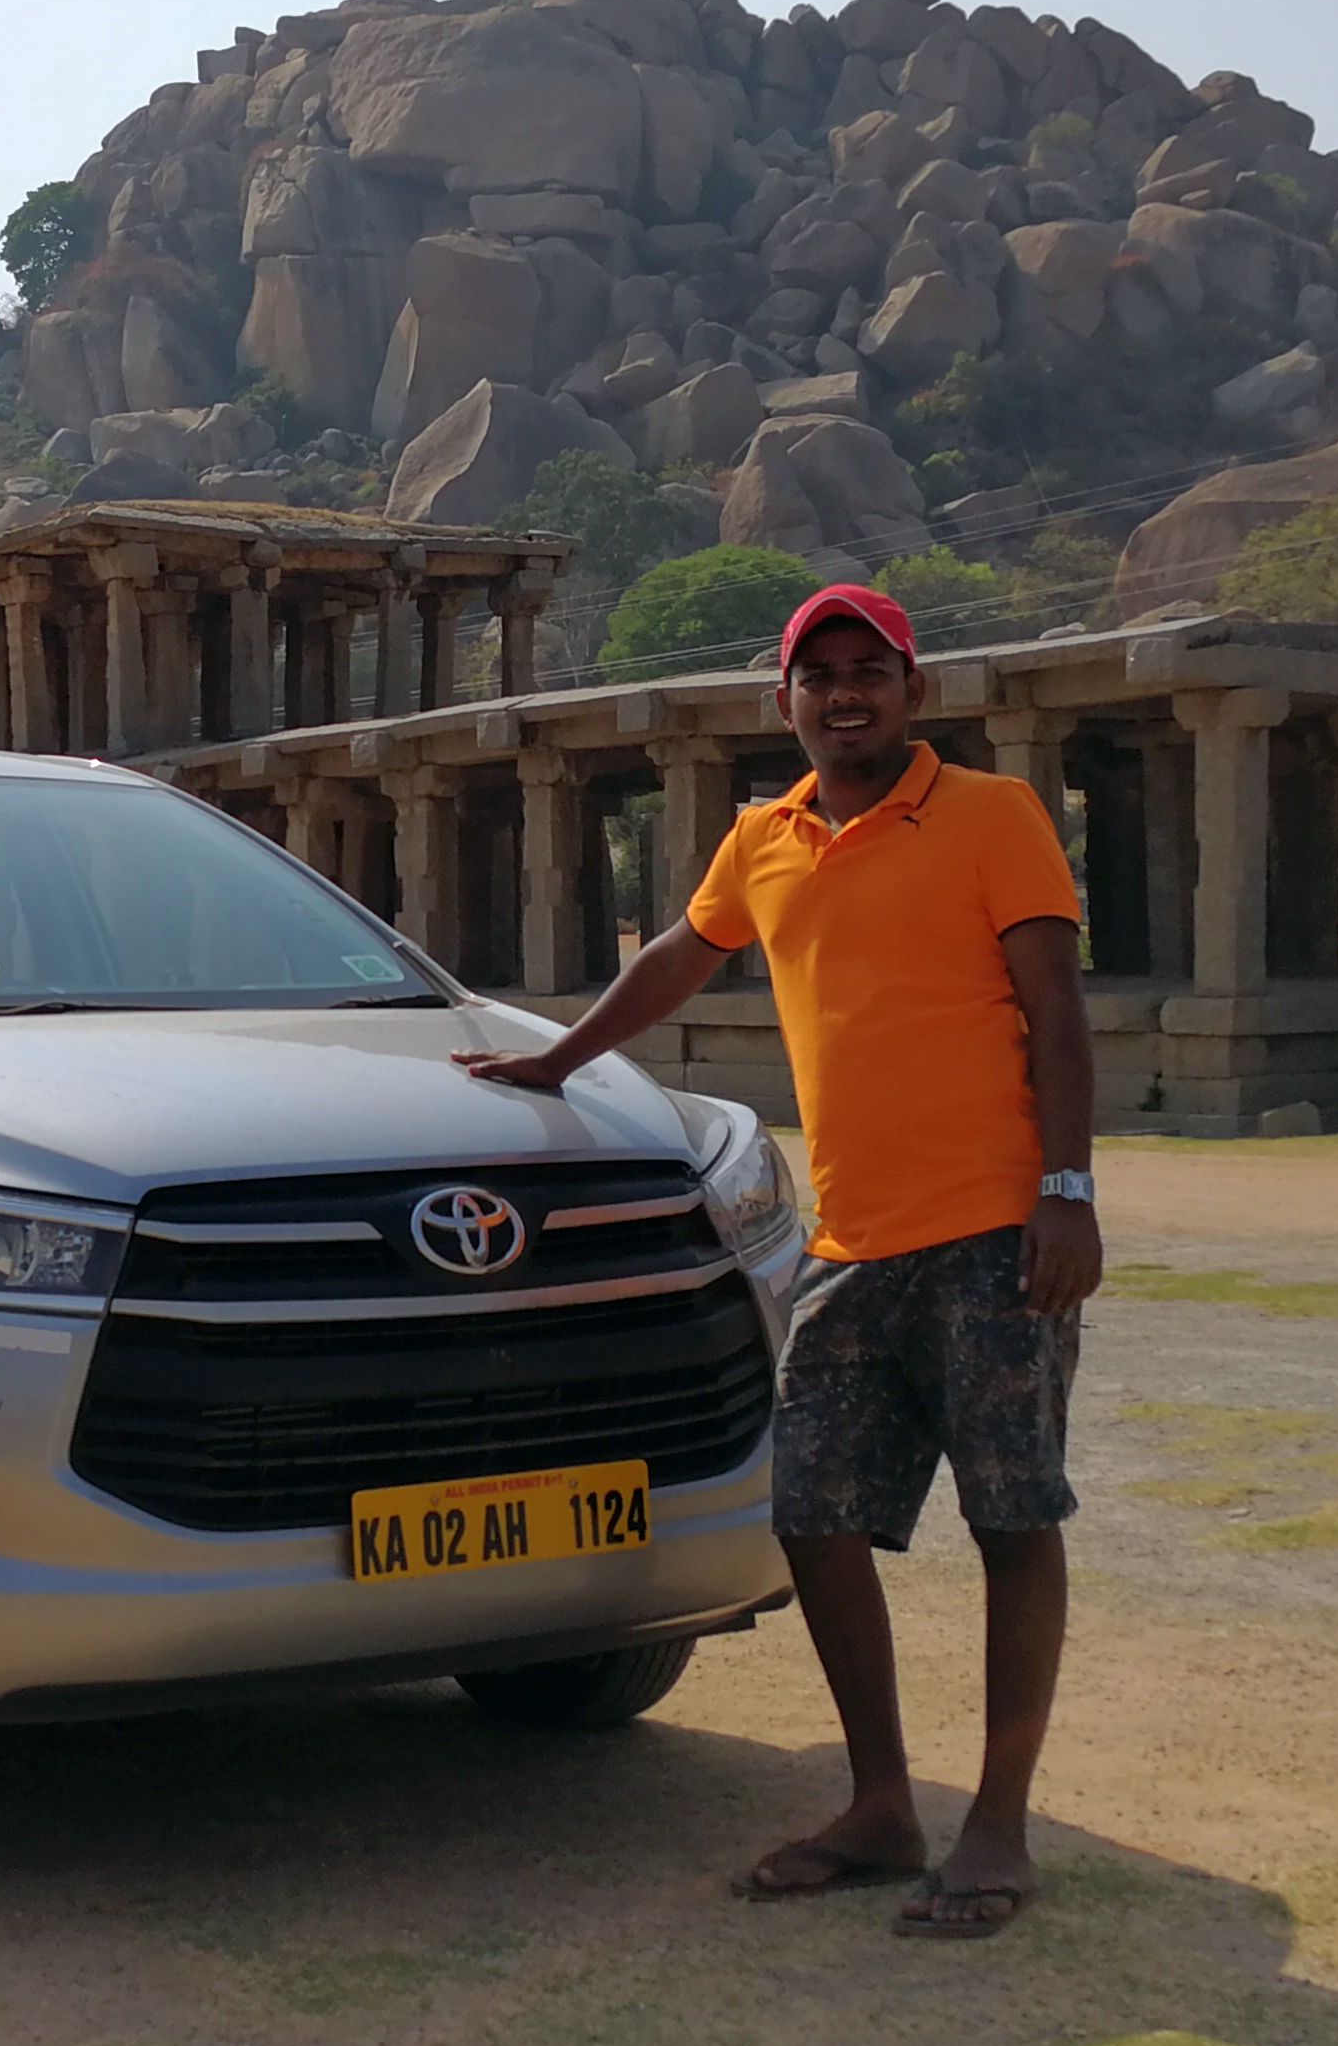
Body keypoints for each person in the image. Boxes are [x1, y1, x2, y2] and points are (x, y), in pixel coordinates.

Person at [454, 582, 1102, 1940]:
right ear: (785, 701)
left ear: (915, 694)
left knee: (1011, 1517)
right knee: (810, 1510)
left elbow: (1055, 1012)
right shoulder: (764, 838)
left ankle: (996, 1821)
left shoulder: (992, 817)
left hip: (993, 1230)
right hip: (852, 1244)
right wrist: (556, 1059)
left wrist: (1065, 1191)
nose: (847, 694)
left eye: (873, 671)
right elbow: (680, 961)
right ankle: (880, 1803)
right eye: (823, 677)